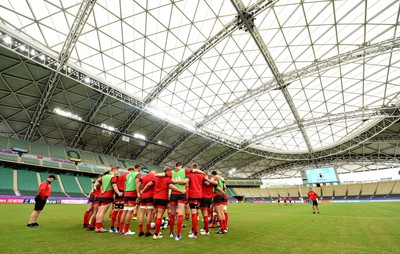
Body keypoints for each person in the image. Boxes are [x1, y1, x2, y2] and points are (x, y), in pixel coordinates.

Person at [155, 162, 204, 241]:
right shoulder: (185, 170)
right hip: (182, 193)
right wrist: (201, 171)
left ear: (175, 166)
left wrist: (155, 174)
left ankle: (171, 233)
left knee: (172, 214)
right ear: (181, 166)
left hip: (173, 194)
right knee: (180, 214)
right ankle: (178, 235)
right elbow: (194, 171)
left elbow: (161, 175)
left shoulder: (171, 172)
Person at [95, 166, 123, 233]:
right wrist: (118, 193)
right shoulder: (113, 177)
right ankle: (99, 227)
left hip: (101, 196)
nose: (117, 172)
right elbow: (114, 186)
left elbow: (98, 184)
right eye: (117, 170)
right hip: (108, 195)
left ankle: (97, 226)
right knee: (102, 212)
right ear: (114, 170)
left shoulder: (104, 177)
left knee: (99, 212)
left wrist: (102, 190)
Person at [120, 164, 141, 235]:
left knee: (124, 211)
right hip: (132, 193)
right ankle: (126, 230)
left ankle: (120, 229)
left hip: (126, 193)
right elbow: (137, 183)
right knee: (130, 211)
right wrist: (138, 193)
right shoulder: (138, 174)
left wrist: (125, 193)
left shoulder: (128, 175)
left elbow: (125, 184)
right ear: (139, 168)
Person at [187, 163, 207, 239]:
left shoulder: (190, 174)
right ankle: (193, 229)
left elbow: (187, 183)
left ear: (192, 168)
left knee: (194, 214)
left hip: (192, 195)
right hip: (200, 195)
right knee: (196, 212)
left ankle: (195, 233)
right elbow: (207, 183)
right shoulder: (202, 175)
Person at [138, 169, 157, 237]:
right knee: (149, 213)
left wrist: (140, 192)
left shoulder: (144, 176)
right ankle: (147, 231)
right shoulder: (154, 176)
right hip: (150, 196)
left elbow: (140, 184)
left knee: (142, 212)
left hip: (143, 196)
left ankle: (140, 231)